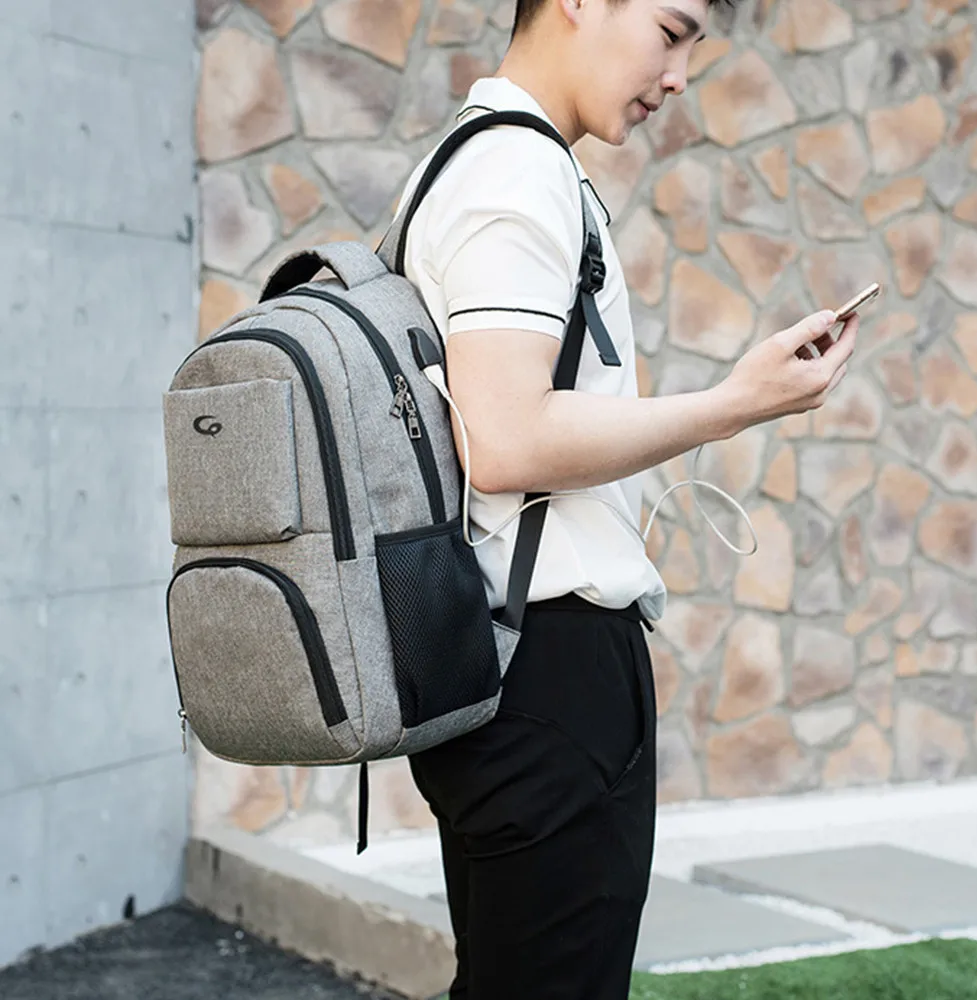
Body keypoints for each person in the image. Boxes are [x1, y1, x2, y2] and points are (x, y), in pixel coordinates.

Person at [395, 0, 859, 996]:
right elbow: (505, 439)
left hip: (505, 661)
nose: (680, 72)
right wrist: (734, 404)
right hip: (544, 668)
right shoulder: (513, 168)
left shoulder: (481, 157)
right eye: (671, 29)